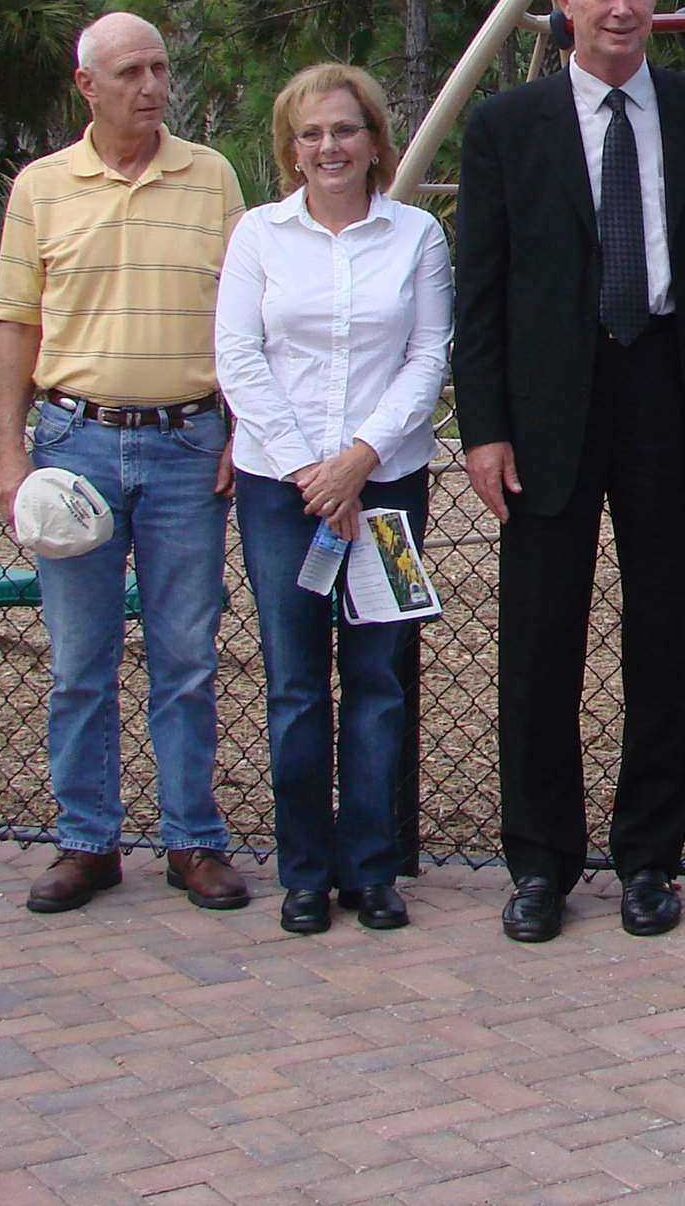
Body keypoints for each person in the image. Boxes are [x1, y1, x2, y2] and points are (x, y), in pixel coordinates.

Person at [454, 0, 685, 944]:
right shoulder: (507, 129)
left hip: (667, 407)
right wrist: (483, 428)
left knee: (667, 643)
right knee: (539, 644)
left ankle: (649, 859)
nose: (624, 7)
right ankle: (539, 865)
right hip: (545, 418)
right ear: (562, 2)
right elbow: (481, 294)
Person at [0, 13, 250, 915]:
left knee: (186, 655)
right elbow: (15, 319)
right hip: (74, 447)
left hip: (188, 448)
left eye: (161, 67)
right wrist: (9, 451)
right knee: (78, 661)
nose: (152, 85)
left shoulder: (212, 178)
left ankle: (192, 840)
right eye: (131, 71)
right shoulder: (41, 187)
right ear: (87, 87)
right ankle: (86, 840)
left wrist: (238, 430)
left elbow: (246, 315)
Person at [216, 64, 452, 937]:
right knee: (295, 684)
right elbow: (239, 358)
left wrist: (357, 462)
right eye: (311, 133)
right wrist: (314, 473)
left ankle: (372, 867)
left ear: (375, 141)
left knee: (380, 679)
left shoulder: (417, 236)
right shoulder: (258, 236)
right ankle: (305, 871)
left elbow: (428, 358)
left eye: (345, 130)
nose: (328, 147)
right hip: (283, 492)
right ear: (290, 146)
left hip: (386, 487)